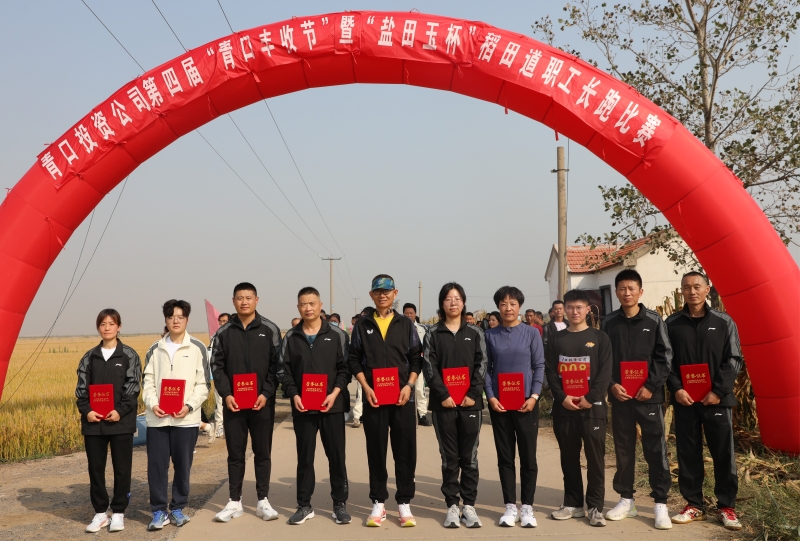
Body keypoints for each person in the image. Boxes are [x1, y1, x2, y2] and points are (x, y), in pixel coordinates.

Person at [667, 271, 742, 531]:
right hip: (685, 401)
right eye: (687, 287)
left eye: (697, 286)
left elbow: (733, 358)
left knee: (723, 453)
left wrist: (718, 391)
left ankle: (726, 507)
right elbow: (665, 361)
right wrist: (677, 389)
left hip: (716, 401)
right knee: (688, 452)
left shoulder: (723, 322)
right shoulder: (672, 323)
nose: (692, 291)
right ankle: (694, 505)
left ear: (707, 289)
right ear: (682, 291)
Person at [348, 275, 423, 527]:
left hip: (402, 398)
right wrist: (365, 386)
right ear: (371, 295)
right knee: (376, 450)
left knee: (405, 451)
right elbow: (354, 358)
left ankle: (404, 503)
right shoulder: (362, 325)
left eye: (387, 291)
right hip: (375, 398)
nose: (382, 295)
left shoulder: (406, 324)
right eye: (378, 291)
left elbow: (416, 358)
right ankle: (378, 502)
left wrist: (409, 386)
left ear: (395, 293)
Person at [601, 270, 673, 529]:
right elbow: (603, 359)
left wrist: (651, 386)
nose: (627, 293)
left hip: (648, 398)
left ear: (640, 291)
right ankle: (626, 499)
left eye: (631, 288)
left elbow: (664, 357)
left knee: (655, 449)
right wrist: (611, 385)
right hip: (621, 397)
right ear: (616, 292)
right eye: (622, 288)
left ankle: (660, 503)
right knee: (623, 448)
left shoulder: (654, 320)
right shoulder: (609, 322)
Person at [278, 287, 351, 525]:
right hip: (303, 408)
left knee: (336, 456)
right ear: (298, 307)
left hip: (332, 406)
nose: (308, 308)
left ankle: (339, 504)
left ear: (320, 306)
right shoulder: (291, 337)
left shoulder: (337, 335)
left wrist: (335, 393)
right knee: (305, 457)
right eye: (303, 304)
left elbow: (345, 369)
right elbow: (283, 371)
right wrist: (294, 395)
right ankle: (304, 505)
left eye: (312, 303)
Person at [211, 282, 282, 523]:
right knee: (235, 453)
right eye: (240, 298)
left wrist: (266, 393)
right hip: (234, 404)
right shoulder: (223, 332)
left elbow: (277, 366)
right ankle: (234, 501)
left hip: (262, 404)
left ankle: (263, 500)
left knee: (262, 453)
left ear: (256, 300)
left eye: (248, 298)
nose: (244, 302)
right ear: (233, 301)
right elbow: (216, 366)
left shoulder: (270, 329)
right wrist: (226, 394)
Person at [545, 289, 612, 527]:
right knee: (569, 458)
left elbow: (605, 372)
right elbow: (550, 371)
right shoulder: (556, 338)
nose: (574, 312)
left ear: (587, 310)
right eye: (570, 307)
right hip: (564, 408)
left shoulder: (600, 337)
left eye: (579, 307)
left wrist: (591, 397)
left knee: (595, 460)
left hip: (592, 409)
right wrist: (561, 396)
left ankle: (595, 507)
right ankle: (572, 504)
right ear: (563, 310)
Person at [423, 282, 487, 528]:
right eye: (448, 299)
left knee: (469, 457)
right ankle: (452, 505)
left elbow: (482, 364)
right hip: (444, 405)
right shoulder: (433, 333)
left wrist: (473, 393)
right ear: (442, 303)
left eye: (457, 298)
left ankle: (469, 505)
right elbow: (429, 367)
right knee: (449, 457)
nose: (453, 302)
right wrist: (442, 394)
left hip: (470, 404)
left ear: (463, 302)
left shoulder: (475, 332)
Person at [142, 300, 210, 530]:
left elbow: (203, 384)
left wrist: (189, 406)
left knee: (183, 466)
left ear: (187, 319)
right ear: (166, 320)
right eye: (171, 317)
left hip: (186, 420)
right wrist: (153, 405)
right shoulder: (155, 349)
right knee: (157, 467)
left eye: (180, 316)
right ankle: (159, 511)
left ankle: (178, 508)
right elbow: (148, 383)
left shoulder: (197, 348)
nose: (176, 321)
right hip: (158, 419)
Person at [484, 286, 545, 528]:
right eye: (503, 304)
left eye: (512, 304)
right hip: (500, 405)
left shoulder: (531, 333)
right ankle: (510, 505)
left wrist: (534, 396)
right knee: (505, 457)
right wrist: (490, 397)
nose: (508, 308)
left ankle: (527, 506)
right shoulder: (490, 335)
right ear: (498, 307)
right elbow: (486, 369)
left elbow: (539, 366)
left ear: (519, 306)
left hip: (526, 404)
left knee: (528, 456)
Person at [76, 309, 141, 533]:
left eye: (111, 323)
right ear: (98, 328)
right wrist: (87, 412)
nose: (107, 328)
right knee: (96, 469)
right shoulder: (89, 357)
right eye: (103, 324)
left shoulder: (129, 355)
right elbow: (81, 390)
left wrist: (119, 411)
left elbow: (133, 389)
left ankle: (119, 512)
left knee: (122, 469)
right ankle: (101, 513)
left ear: (119, 327)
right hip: (94, 424)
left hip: (120, 422)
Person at [205, 313, 232, 442]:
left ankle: (230, 426)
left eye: (224, 321)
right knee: (219, 401)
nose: (222, 323)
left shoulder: (233, 336)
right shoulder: (215, 337)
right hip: (218, 375)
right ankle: (220, 426)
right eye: (220, 321)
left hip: (231, 375)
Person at [403, 303, 430, 427]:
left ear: (415, 314)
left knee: (419, 390)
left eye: (411, 313)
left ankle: (422, 415)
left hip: (418, 365)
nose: (409, 315)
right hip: (404, 366)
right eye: (406, 313)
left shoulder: (422, 329)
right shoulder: (399, 328)